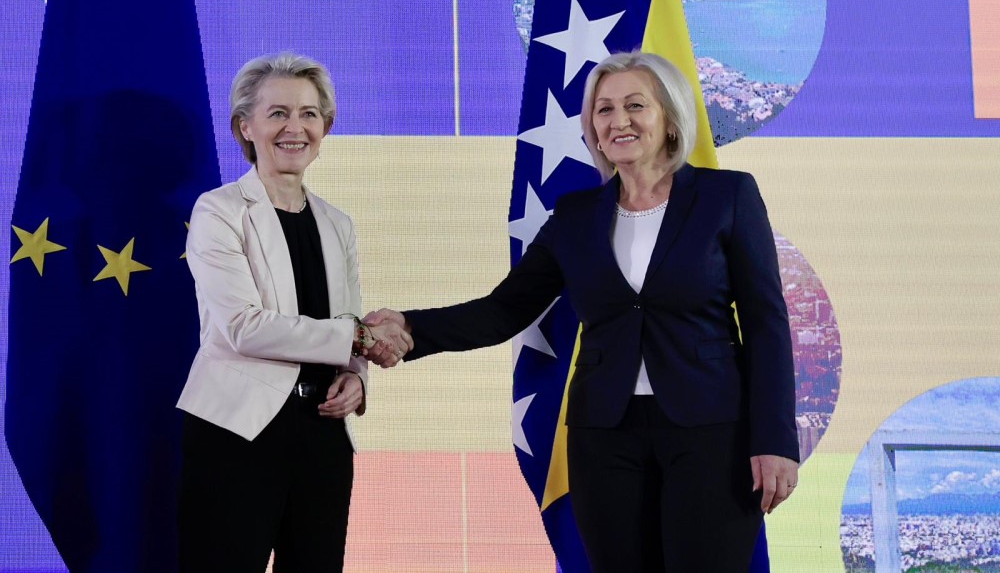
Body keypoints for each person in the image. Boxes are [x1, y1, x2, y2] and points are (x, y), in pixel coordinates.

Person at [367, 51, 799, 571]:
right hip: (605, 438)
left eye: (635, 105)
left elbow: (766, 324)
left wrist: (776, 440)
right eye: (603, 109)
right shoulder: (576, 216)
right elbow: (504, 310)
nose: (618, 120)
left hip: (713, 434)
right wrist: (410, 327)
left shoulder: (727, 196)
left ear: (669, 118)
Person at [176, 52, 411, 573]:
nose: (295, 128)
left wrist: (357, 377)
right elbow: (244, 328)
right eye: (277, 113)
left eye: (309, 114)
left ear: (325, 127)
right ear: (246, 127)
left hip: (323, 431)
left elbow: (346, 320)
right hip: (236, 430)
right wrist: (359, 339)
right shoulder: (218, 211)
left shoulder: (337, 223)